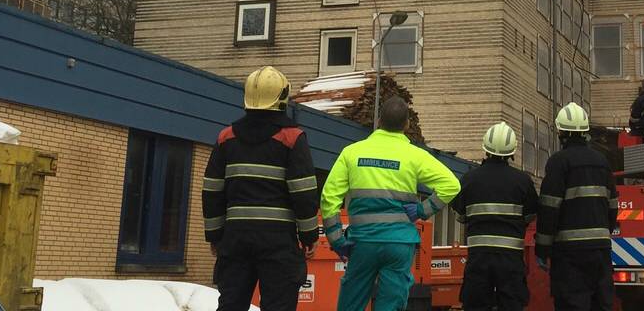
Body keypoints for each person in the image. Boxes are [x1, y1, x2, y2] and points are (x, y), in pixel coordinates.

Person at [320, 97, 461, 311]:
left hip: (362, 242)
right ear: (406, 125)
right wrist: (424, 209)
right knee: (391, 304)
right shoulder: (414, 155)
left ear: (378, 121)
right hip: (399, 244)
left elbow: (329, 197)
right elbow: (451, 185)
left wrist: (336, 238)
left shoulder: (352, 152)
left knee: (351, 302)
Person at [203, 66, 320, 311]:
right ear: (282, 97)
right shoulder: (292, 138)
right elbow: (304, 193)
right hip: (278, 242)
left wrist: (215, 236)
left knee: (230, 305)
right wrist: (309, 236)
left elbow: (213, 191)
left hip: (236, 239)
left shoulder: (226, 138)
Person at [536, 103, 617, 311]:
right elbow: (612, 205)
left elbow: (549, 208)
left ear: (561, 131)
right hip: (600, 250)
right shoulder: (601, 162)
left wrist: (542, 249)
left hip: (570, 254)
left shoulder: (558, 162)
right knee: (600, 303)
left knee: (572, 303)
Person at [450, 122, 539, 311]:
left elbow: (460, 215)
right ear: (511, 151)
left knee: (476, 304)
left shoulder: (470, 179)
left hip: (479, 257)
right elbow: (531, 215)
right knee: (512, 304)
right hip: (511, 259)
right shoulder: (523, 181)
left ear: (486, 148)